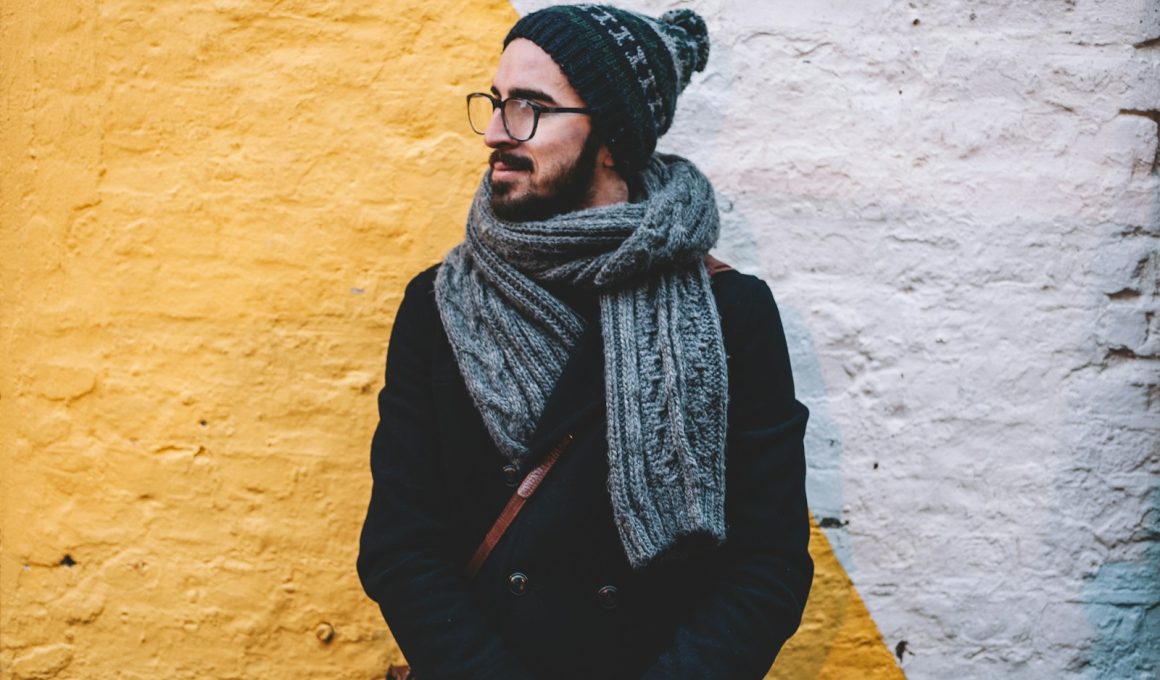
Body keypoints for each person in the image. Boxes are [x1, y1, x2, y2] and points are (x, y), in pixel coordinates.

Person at [357, 5, 813, 679]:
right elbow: (400, 545)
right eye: (495, 102)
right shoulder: (438, 305)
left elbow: (767, 563)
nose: (493, 132)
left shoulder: (731, 313)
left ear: (612, 135)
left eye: (529, 107)